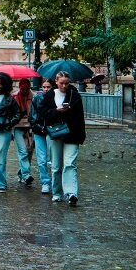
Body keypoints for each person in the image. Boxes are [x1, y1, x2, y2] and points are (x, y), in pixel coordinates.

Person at [41, 70, 86, 206]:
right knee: (56, 166)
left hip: (72, 134)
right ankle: (57, 193)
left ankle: (71, 193)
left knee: (70, 164)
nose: (64, 86)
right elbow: (43, 113)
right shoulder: (50, 95)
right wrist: (56, 111)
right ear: (56, 82)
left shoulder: (74, 96)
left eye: (67, 83)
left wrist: (81, 135)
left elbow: (80, 117)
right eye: (61, 83)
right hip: (56, 133)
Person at [29, 78, 55, 196]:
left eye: (48, 87)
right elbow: (32, 115)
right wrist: (38, 126)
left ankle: (55, 181)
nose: (45, 89)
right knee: (41, 159)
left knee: (52, 158)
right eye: (44, 87)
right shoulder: (37, 98)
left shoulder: (55, 98)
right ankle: (45, 182)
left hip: (52, 131)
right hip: (39, 131)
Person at [12, 78, 35, 187]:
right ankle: (26, 175)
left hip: (30, 126)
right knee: (23, 151)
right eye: (23, 89)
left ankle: (22, 173)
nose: (25, 91)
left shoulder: (34, 97)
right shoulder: (14, 97)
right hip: (18, 126)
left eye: (27, 89)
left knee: (29, 151)